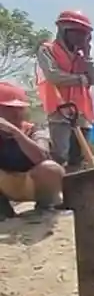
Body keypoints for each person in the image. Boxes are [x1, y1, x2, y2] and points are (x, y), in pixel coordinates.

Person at [36, 10, 94, 170]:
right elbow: (53, 76)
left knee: (79, 157)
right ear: (64, 30)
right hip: (59, 110)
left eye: (84, 34)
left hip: (82, 112)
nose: (81, 37)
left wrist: (87, 56)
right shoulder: (47, 50)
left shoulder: (82, 57)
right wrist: (81, 79)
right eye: (77, 32)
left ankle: (76, 189)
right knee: (60, 155)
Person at [0, 84, 65, 218]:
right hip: (5, 185)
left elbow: (42, 158)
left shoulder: (36, 131)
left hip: (32, 185)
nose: (16, 113)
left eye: (20, 108)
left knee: (50, 168)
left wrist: (16, 132)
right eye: (8, 108)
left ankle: (46, 207)